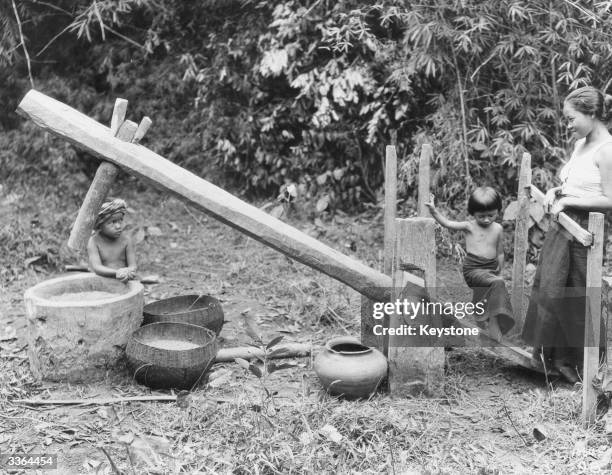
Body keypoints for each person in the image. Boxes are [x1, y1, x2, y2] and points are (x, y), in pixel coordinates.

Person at [522, 86, 612, 383]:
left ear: (592, 113)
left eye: (572, 118)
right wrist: (555, 191)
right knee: (553, 288)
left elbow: (609, 199)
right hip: (561, 226)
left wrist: (569, 201)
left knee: (579, 295)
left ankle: (586, 369)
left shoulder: (607, 150)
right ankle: (556, 361)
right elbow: (571, 183)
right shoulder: (580, 144)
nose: (568, 124)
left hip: (585, 230)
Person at [425, 187, 514, 342]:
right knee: (497, 285)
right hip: (473, 270)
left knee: (484, 295)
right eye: (482, 216)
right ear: (473, 214)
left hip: (490, 269)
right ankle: (495, 322)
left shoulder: (498, 228)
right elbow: (447, 223)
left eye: (491, 215)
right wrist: (433, 210)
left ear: (498, 212)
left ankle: (482, 326)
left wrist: (500, 269)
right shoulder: (469, 226)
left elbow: (499, 252)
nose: (486, 219)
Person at [87, 198, 137, 283]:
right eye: (113, 222)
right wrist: (116, 272)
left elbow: (133, 265)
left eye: (120, 220)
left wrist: (129, 271)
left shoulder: (126, 240)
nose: (118, 226)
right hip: (102, 282)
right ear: (100, 225)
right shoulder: (94, 242)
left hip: (124, 281)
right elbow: (97, 267)